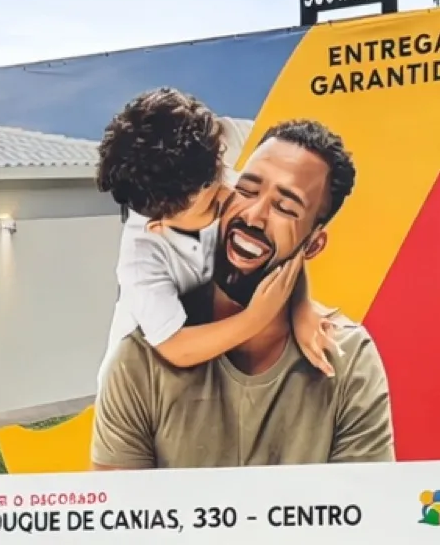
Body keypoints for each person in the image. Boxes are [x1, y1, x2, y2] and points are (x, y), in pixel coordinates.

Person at [91, 119, 394, 469]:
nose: (253, 214)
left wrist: (302, 311)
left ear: (313, 244)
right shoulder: (140, 352)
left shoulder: (347, 358)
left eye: (285, 207)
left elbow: (363, 510)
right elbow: (120, 514)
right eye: (248, 190)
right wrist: (256, 318)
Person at [95, 87, 336, 376]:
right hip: (144, 378)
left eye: (220, 175)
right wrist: (256, 318)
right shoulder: (142, 255)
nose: (229, 195)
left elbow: (283, 240)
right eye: (210, 206)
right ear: (160, 225)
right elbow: (176, 347)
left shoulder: (214, 147)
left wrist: (301, 308)